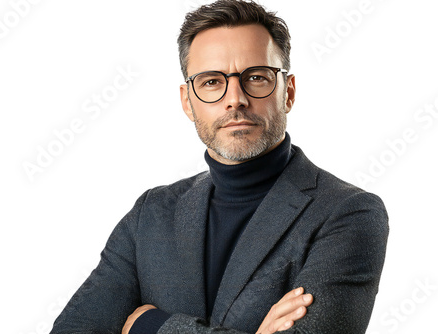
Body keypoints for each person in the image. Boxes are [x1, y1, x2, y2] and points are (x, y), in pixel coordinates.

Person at [50, 1, 389, 333]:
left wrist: (149, 325)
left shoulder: (349, 213)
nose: (235, 98)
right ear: (188, 101)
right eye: (211, 81)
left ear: (288, 91)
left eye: (256, 77)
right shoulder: (150, 214)